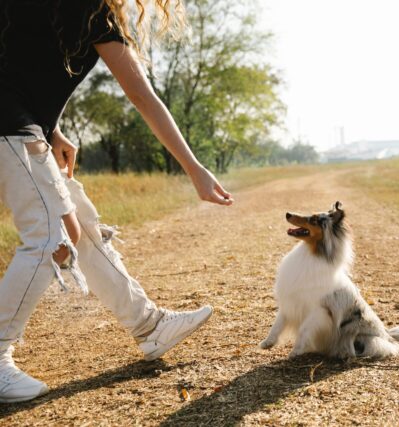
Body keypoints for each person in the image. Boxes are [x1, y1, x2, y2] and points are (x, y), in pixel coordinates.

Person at [0, 0, 233, 403]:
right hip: (9, 126)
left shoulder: (73, 11)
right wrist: (194, 168)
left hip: (21, 125)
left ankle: (149, 325)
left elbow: (23, 69)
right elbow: (142, 97)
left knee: (80, 221)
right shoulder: (93, 12)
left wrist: (52, 130)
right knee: (51, 232)